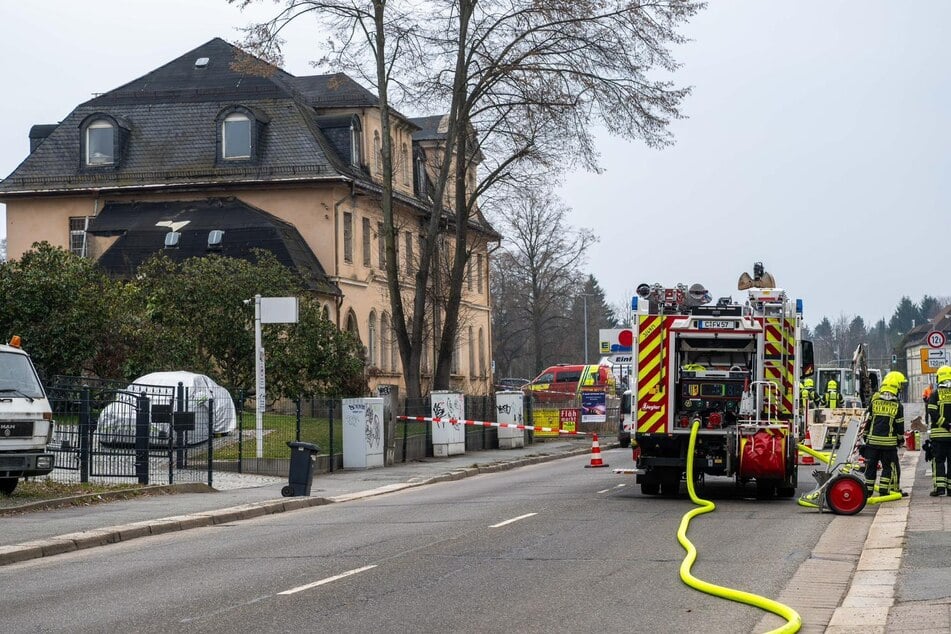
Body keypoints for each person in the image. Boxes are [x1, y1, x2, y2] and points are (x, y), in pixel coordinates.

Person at [862, 371, 907, 497]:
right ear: (896, 386)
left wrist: (865, 436)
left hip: (872, 443)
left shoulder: (874, 400)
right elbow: (899, 426)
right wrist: (900, 440)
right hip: (889, 444)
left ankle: (868, 491)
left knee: (870, 468)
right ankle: (884, 491)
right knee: (888, 468)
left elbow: (868, 420)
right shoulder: (897, 404)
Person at [926, 365, 951, 496]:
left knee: (938, 461)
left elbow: (932, 412)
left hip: (939, 436)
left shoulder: (935, 394)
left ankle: (940, 488)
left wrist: (946, 425)